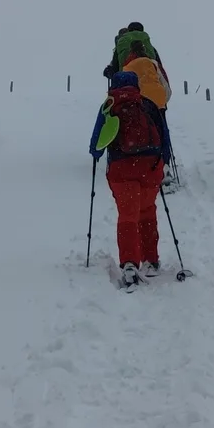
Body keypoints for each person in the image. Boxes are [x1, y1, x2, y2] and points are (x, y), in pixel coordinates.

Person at [89, 64, 172, 283]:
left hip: (121, 169)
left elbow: (96, 146)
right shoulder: (148, 105)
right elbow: (165, 139)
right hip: (150, 168)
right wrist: (162, 162)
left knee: (127, 216)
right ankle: (151, 260)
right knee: (147, 212)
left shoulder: (109, 107)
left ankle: (129, 264)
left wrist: (97, 155)